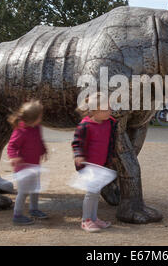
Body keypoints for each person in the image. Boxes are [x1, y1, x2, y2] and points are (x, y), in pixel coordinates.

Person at [72, 92, 117, 233]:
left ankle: (94, 218)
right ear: (95, 111)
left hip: (101, 165)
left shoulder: (109, 122)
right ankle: (86, 220)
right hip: (89, 166)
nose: (110, 110)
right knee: (91, 193)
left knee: (96, 193)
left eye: (110, 107)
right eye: (106, 108)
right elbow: (77, 143)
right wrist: (78, 155)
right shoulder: (85, 126)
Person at [7, 100, 49, 225]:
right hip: (23, 168)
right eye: (40, 116)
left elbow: (39, 140)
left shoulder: (37, 127)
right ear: (32, 118)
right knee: (23, 192)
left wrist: (43, 150)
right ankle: (17, 215)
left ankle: (34, 209)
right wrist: (13, 157)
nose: (41, 118)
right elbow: (12, 146)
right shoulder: (20, 131)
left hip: (35, 166)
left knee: (35, 188)